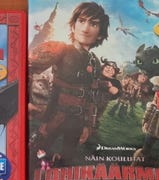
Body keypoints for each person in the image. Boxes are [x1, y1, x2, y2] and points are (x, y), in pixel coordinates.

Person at [28, 2, 110, 165]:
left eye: (93, 24)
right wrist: (27, 102)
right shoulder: (59, 49)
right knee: (35, 156)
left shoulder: (95, 62)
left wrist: (88, 126)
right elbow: (26, 69)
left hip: (77, 123)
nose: (85, 28)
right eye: (81, 21)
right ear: (73, 25)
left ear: (100, 34)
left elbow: (92, 96)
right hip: (53, 117)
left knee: (66, 162)